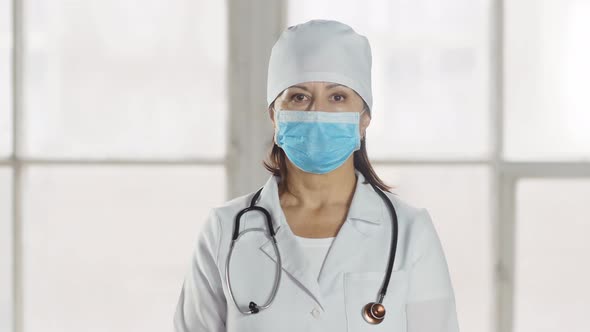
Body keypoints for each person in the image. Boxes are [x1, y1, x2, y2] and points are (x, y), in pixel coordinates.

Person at [174, 19, 460, 332]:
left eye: (337, 97)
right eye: (299, 97)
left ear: (364, 118)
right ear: (275, 115)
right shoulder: (225, 229)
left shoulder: (409, 230)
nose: (316, 113)